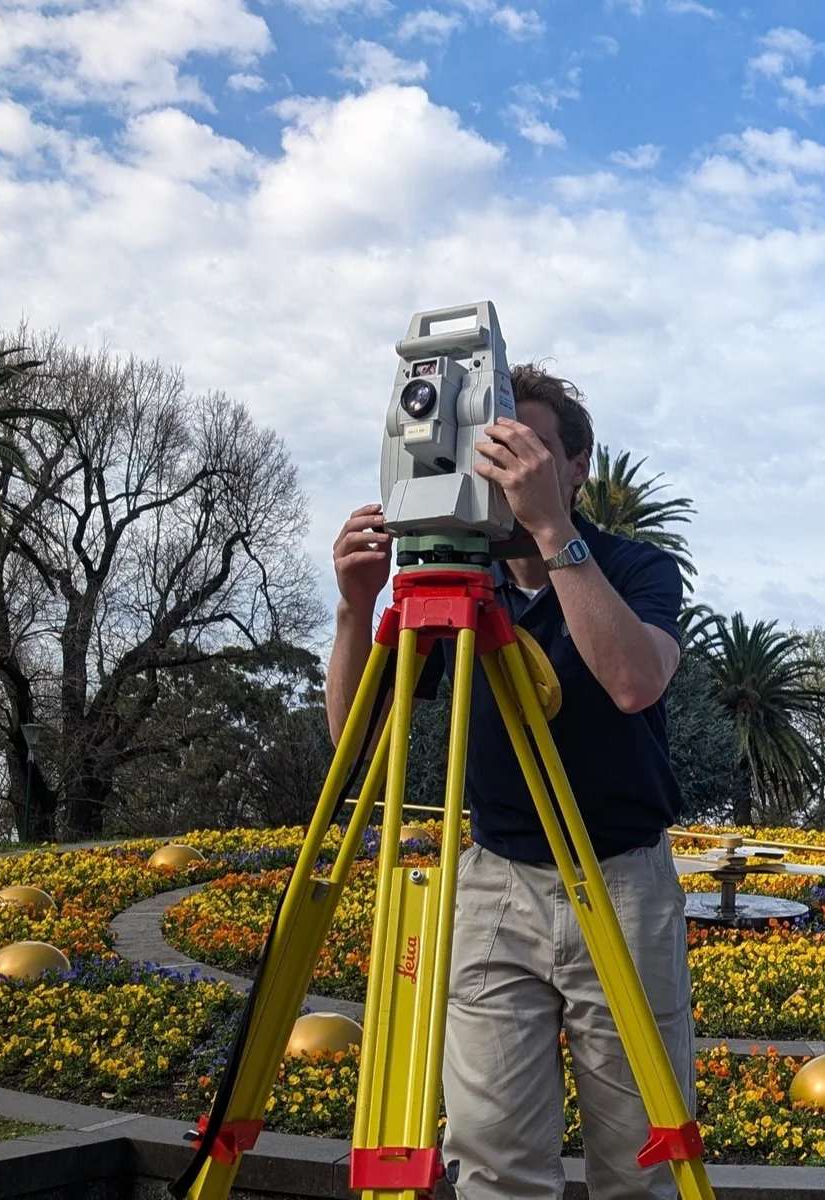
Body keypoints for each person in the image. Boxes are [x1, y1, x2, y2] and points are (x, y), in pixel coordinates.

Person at [325, 364, 695, 1200]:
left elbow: (635, 682)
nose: (501, 469)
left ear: (576, 466)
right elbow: (356, 745)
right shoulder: (459, 585)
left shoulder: (636, 569)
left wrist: (555, 533)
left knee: (642, 1157)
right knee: (491, 1157)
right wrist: (357, 607)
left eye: (522, 448)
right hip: (496, 882)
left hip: (621, 879)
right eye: (488, 449)